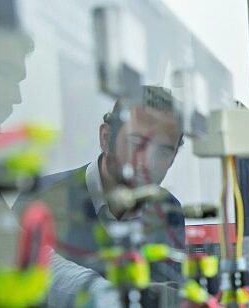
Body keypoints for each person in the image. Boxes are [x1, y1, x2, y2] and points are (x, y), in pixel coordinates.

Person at [13, 86, 186, 305]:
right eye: (136, 143)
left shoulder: (168, 210)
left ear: (172, 159)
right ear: (106, 138)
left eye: (163, 152)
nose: (146, 163)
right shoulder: (40, 200)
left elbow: (167, 297)